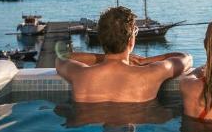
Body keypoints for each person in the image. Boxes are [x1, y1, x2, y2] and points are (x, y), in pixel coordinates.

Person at [55, 6, 191, 103]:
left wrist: (104, 58)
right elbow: (185, 58)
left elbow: (62, 58)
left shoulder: (80, 74)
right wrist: (145, 61)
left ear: (101, 39)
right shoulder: (151, 73)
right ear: (131, 41)